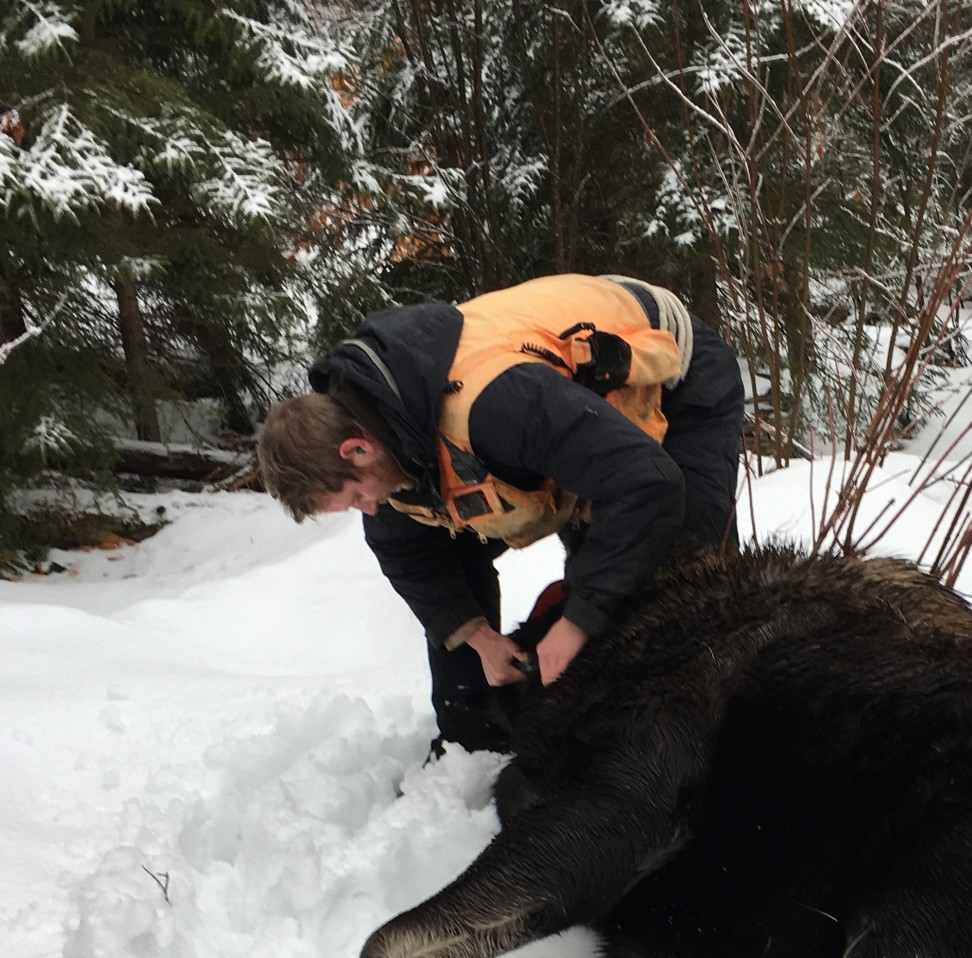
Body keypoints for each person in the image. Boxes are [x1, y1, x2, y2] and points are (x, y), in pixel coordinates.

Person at [257, 275, 745, 755]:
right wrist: (479, 638)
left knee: (684, 573)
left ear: (357, 449)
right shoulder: (388, 441)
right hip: (572, 421)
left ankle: (701, 738)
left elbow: (646, 483)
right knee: (556, 573)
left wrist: (579, 621)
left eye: (356, 498)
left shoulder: (494, 406)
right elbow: (411, 557)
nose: (367, 509)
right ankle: (476, 735)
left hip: (668, 370)